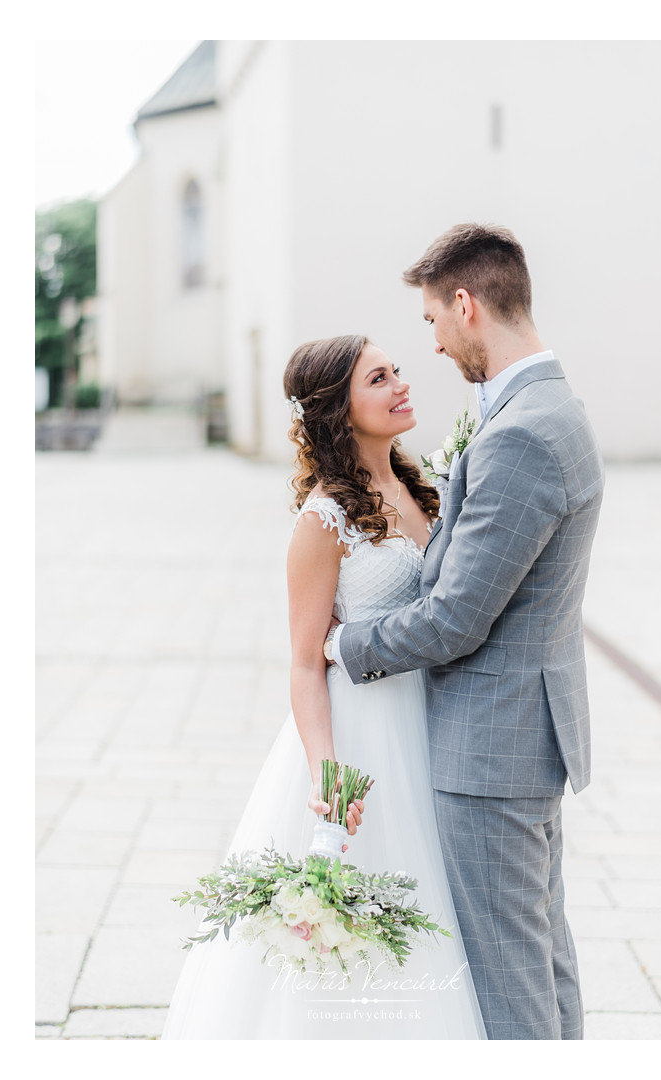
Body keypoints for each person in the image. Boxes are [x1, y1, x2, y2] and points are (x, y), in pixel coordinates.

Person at [162, 333, 487, 1040]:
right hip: (362, 733)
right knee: (362, 912)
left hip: (429, 727)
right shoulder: (323, 520)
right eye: (379, 378)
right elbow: (306, 661)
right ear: (339, 409)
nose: (401, 383)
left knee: (432, 897)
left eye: (396, 370)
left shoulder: (421, 484)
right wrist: (324, 768)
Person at [327, 224, 604, 1040]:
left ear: (464, 303)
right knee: (544, 962)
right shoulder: (551, 407)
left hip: (492, 749)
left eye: (431, 323)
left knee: (509, 984)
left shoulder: (520, 433)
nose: (436, 345)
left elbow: (453, 619)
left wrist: (345, 645)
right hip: (525, 735)